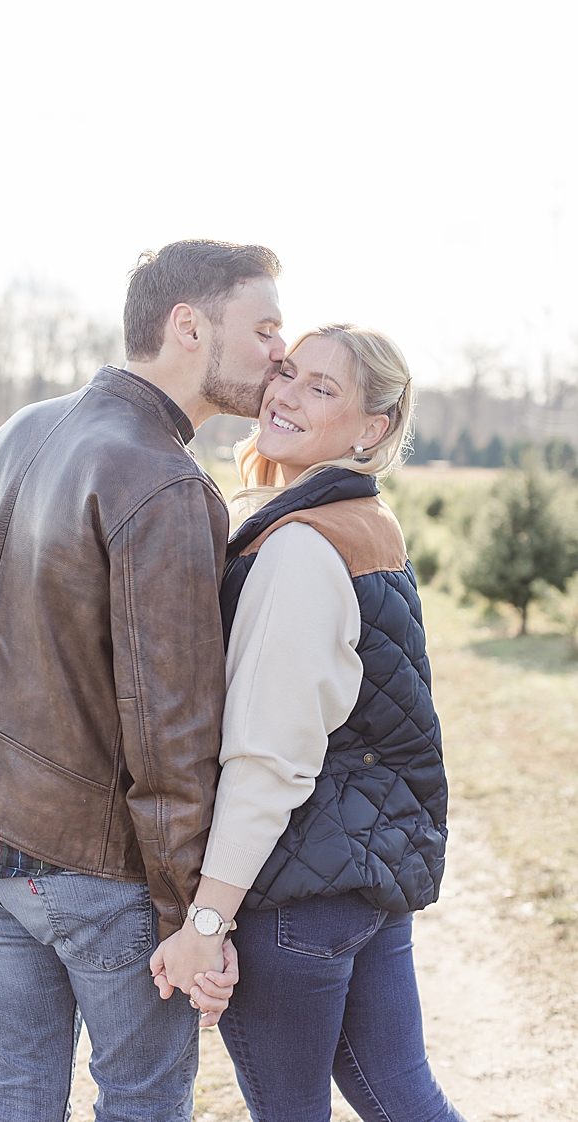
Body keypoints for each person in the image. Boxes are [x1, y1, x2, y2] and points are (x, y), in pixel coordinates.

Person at [0, 240, 287, 1119]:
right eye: (263, 327)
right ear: (188, 325)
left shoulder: (21, 427)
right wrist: (196, 917)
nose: (279, 353)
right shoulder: (165, 482)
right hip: (90, 868)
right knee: (142, 1097)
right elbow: (173, 731)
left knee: (17, 1077)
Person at [149, 325, 464, 1121]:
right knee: (403, 1097)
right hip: (364, 878)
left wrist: (207, 921)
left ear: (372, 429)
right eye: (287, 372)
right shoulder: (365, 521)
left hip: (295, 896)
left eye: (322, 388)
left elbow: (270, 759)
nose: (284, 393)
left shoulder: (298, 551)